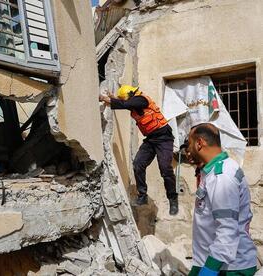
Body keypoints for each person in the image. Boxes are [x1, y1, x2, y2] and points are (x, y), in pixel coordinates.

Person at [186, 123, 257, 276]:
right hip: (209, 261)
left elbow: (227, 229)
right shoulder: (212, 171)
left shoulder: (222, 175)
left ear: (199, 143)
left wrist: (209, 270)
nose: (188, 149)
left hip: (228, 268)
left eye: (189, 143)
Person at [99, 85, 178, 215]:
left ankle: (172, 198)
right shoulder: (133, 103)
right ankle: (142, 196)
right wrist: (111, 98)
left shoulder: (141, 99)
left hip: (164, 138)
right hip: (151, 140)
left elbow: (126, 104)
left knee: (165, 168)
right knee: (138, 164)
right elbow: (124, 104)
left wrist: (103, 98)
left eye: (126, 99)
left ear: (131, 95)